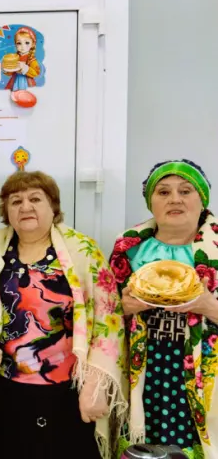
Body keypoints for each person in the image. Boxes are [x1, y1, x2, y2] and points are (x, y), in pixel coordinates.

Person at [0, 171, 126, 458]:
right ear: (6, 211)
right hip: (7, 390)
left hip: (69, 391)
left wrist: (95, 385)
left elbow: (109, 320)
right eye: (15, 201)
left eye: (35, 199)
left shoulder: (83, 251)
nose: (25, 206)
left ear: (53, 207)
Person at [110, 160, 218, 457]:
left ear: (202, 199)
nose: (175, 199)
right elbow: (104, 314)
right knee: (144, 446)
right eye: (163, 192)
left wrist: (210, 307)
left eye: (185, 191)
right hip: (145, 371)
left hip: (204, 374)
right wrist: (124, 308)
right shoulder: (128, 247)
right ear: (151, 202)